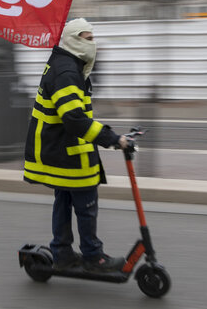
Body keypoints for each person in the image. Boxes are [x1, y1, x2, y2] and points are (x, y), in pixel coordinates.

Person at [23, 18, 129, 273]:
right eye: (88, 38)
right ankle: (93, 257)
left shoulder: (65, 65)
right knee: (86, 204)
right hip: (66, 152)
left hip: (57, 150)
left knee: (63, 201)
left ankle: (62, 252)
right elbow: (74, 118)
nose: (93, 44)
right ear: (73, 40)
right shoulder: (67, 72)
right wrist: (113, 139)